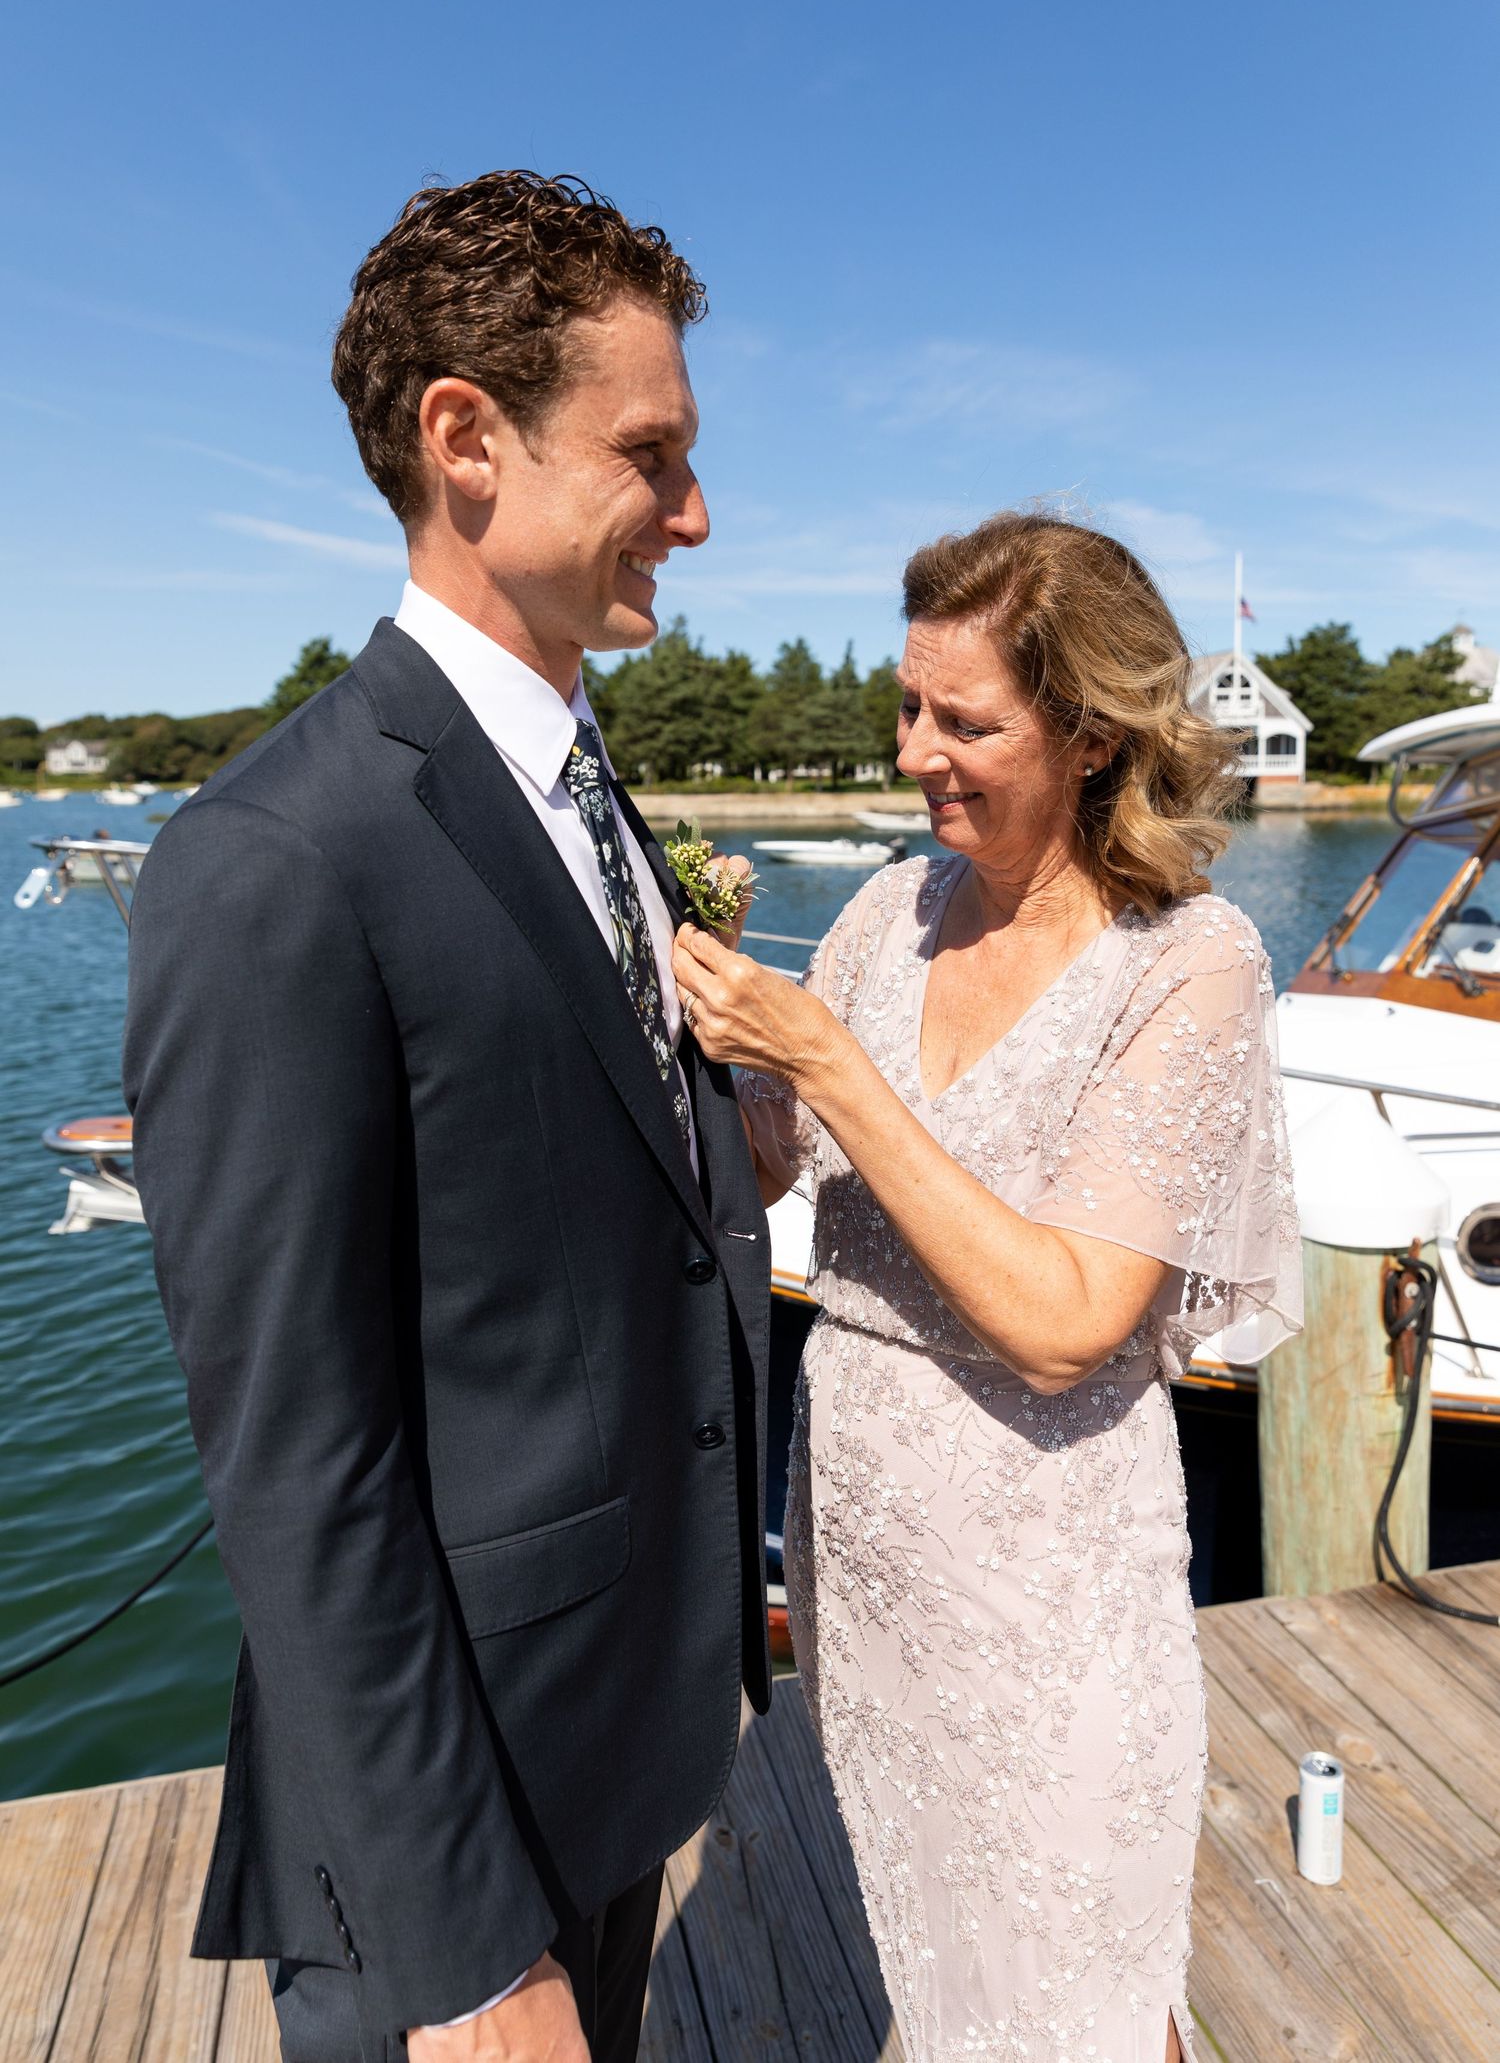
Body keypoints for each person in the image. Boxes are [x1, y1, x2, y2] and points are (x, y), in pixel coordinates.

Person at [123, 171, 769, 2063]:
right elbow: (296, 1465)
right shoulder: (272, 861)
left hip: (618, 1745)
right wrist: (473, 1956)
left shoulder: (586, 790)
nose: (700, 513)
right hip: (447, 1846)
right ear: (466, 441)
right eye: (653, 453)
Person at [671, 510, 1303, 2063]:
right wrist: (713, 1015)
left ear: (1089, 736)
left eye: (965, 720)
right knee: (939, 1974)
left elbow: (1065, 1320)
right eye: (908, 706)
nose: (914, 752)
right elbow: (773, 1166)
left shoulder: (1189, 962)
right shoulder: (891, 913)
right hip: (870, 1567)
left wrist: (822, 1052)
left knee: (1078, 1990)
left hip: (1047, 1581)